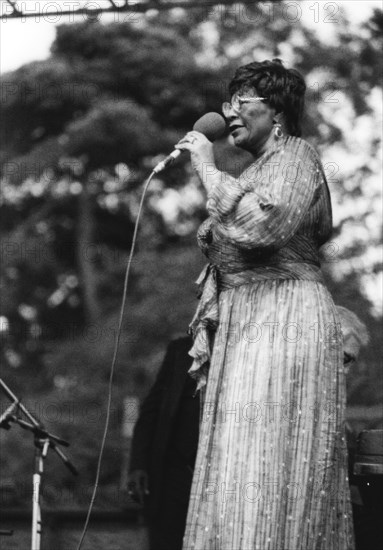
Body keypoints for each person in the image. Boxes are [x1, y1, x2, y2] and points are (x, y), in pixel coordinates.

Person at [175, 59, 355, 549]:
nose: (228, 111)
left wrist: (206, 168)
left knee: (271, 458)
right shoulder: (256, 169)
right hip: (245, 320)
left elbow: (261, 227)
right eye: (227, 101)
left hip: (285, 316)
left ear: (276, 110)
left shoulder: (298, 156)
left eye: (241, 101)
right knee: (237, 463)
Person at [128, 335, 199, 550]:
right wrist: (138, 464)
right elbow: (151, 410)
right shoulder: (181, 349)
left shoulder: (243, 349)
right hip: (172, 475)